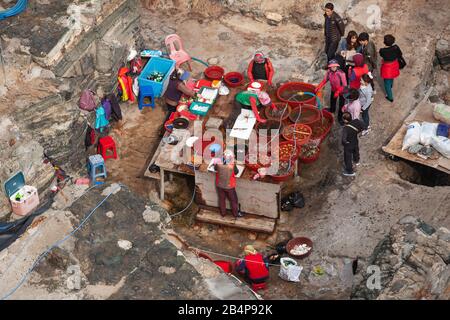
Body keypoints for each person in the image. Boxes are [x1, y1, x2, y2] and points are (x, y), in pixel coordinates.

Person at [214, 150, 243, 218]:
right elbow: (236, 172)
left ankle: (223, 213)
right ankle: (235, 214)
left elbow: (215, 169)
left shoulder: (218, 163)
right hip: (229, 186)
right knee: (234, 200)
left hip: (219, 185)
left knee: (221, 199)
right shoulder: (232, 165)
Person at [341, 112, 367, 177]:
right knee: (356, 151)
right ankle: (356, 161)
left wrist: (345, 143)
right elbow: (364, 125)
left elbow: (343, 140)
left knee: (348, 158)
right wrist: (360, 132)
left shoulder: (345, 128)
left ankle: (350, 171)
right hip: (355, 141)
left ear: (345, 120)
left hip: (349, 145)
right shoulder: (356, 121)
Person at [379, 34, 403, 102]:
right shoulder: (396, 47)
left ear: (384, 42)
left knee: (386, 83)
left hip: (387, 67)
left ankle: (390, 97)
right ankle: (391, 85)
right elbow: (400, 54)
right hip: (394, 64)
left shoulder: (382, 50)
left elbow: (381, 55)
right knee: (392, 76)